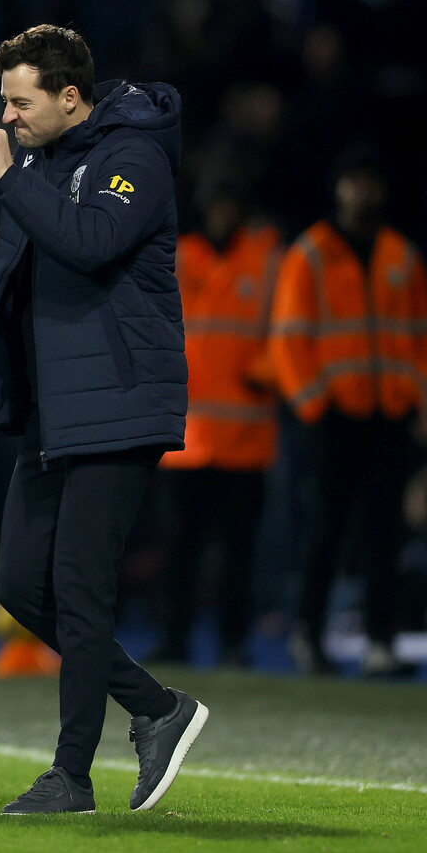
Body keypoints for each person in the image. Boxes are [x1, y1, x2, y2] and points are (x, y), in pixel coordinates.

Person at [0, 24, 208, 816]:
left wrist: (10, 174)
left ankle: (71, 775)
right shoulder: (38, 163)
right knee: (20, 588)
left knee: (77, 586)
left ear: (70, 95)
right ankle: (154, 707)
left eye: (20, 100)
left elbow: (91, 241)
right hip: (54, 410)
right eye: (2, 101)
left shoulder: (134, 157)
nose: (6, 117)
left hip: (117, 398)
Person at [268, 152, 427, 677]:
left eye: (369, 181)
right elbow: (288, 339)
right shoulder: (313, 254)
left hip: (388, 414)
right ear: (338, 188)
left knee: (385, 532)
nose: (362, 192)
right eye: (353, 181)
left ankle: (381, 643)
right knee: (327, 530)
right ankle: (309, 634)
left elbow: (422, 335)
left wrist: (411, 394)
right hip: (336, 417)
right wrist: (317, 404)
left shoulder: (399, 255)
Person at [151, 186, 282, 666]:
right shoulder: (179, 256)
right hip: (187, 437)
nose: (222, 211)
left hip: (245, 438)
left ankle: (232, 642)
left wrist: (265, 372)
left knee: (237, 552)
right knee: (180, 551)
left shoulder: (267, 261)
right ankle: (175, 639)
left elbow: (285, 331)